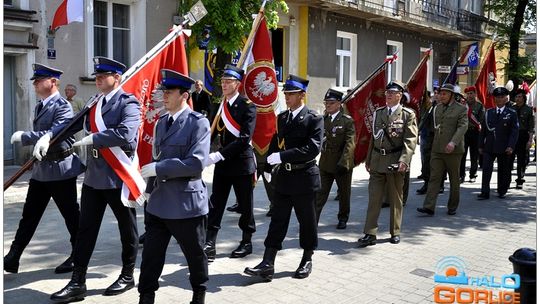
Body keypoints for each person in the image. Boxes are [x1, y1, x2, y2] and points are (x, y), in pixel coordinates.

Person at [39, 57, 141, 302]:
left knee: (127, 228)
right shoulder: (95, 102)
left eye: (102, 75)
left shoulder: (129, 102)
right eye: (95, 75)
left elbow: (126, 133)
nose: (97, 79)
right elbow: (72, 124)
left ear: (117, 78)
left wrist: (95, 139)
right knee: (86, 230)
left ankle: (128, 275)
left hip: (118, 175)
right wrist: (49, 136)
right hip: (94, 176)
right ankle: (77, 282)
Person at [137, 69, 210, 304]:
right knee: (151, 256)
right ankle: (146, 296)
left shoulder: (197, 123)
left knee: (194, 254)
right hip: (158, 202)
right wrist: (146, 191)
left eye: (169, 92)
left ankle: (199, 294)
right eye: (163, 91)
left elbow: (196, 163)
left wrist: (160, 169)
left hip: (185, 202)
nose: (164, 96)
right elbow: (155, 159)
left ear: (184, 95)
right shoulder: (161, 123)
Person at [5, 64, 83, 274]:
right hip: (41, 170)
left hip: (60, 170)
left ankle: (78, 255)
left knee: (71, 216)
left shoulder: (63, 106)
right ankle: (13, 256)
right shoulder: (40, 105)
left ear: (53, 82)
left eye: (39, 80)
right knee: (29, 215)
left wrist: (26, 136)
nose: (35, 83)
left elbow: (56, 133)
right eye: (35, 80)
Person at [244, 75, 323, 280]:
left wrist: (282, 156)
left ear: (302, 95)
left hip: (305, 177)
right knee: (278, 220)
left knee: (307, 222)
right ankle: (268, 262)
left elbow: (312, 149)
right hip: (285, 178)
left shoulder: (314, 118)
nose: (287, 97)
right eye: (286, 94)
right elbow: (275, 141)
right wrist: (269, 165)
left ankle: (307, 258)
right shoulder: (283, 117)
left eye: (291, 94)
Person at [203, 64, 257, 261]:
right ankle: (210, 243)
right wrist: (202, 150)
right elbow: (212, 132)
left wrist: (218, 155)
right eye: (223, 82)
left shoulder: (248, 106)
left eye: (228, 82)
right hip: (224, 166)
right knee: (216, 204)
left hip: (242, 165)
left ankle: (246, 241)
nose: (224, 85)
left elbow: (244, 139)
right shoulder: (220, 106)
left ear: (238, 84)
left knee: (246, 205)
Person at [357, 81, 417, 247]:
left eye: (392, 93)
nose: (388, 95)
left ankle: (395, 231)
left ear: (400, 95)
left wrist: (404, 161)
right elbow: (373, 140)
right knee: (374, 199)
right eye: (387, 92)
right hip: (377, 161)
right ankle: (370, 233)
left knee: (395, 198)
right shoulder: (378, 113)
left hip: (394, 162)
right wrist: (368, 159)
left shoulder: (407, 114)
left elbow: (410, 140)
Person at [417, 84, 468, 216]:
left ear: (452, 95)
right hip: (437, 149)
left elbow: (462, 127)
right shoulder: (436, 108)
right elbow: (432, 126)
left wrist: (453, 142)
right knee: (434, 178)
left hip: (453, 150)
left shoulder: (461, 109)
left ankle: (452, 206)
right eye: (440, 93)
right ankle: (429, 206)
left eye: (444, 94)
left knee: (454, 179)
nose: (441, 96)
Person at [315, 88, 355, 229]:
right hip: (325, 164)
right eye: (326, 103)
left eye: (331, 103)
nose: (328, 105)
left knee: (344, 194)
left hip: (341, 164)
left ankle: (343, 218)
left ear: (339, 104)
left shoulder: (347, 121)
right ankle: (313, 220)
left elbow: (350, 144)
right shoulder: (322, 120)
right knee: (320, 194)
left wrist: (344, 162)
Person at [478, 85, 519, 199]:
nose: (499, 99)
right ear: (494, 99)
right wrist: (480, 145)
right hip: (489, 146)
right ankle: (485, 192)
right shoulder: (488, 112)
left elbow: (514, 132)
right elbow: (483, 131)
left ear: (506, 98)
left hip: (504, 146)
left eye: (502, 97)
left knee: (503, 170)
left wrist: (511, 146)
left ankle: (502, 190)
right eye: (497, 97)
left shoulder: (511, 113)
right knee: (486, 169)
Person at [459, 86, 484, 184]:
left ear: (475, 94)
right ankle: (461, 175)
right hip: (464, 132)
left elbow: (481, 120)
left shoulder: (479, 106)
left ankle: (473, 175)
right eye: (468, 94)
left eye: (471, 93)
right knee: (462, 155)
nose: (469, 96)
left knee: (474, 155)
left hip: (475, 132)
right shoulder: (462, 105)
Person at [511, 88, 534, 189]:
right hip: (512, 136)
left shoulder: (529, 110)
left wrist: (530, 140)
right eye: (516, 97)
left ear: (524, 98)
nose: (518, 98)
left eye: (520, 96)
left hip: (523, 136)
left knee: (521, 159)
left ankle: (520, 179)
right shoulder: (511, 109)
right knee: (509, 158)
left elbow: (531, 127)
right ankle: (506, 180)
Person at [65, 84, 87, 161]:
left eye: (68, 90)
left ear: (73, 91)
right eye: (65, 90)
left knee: (80, 144)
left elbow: (84, 111)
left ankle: (82, 162)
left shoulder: (78, 100)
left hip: (78, 127)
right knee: (71, 145)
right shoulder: (65, 101)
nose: (66, 91)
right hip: (68, 127)